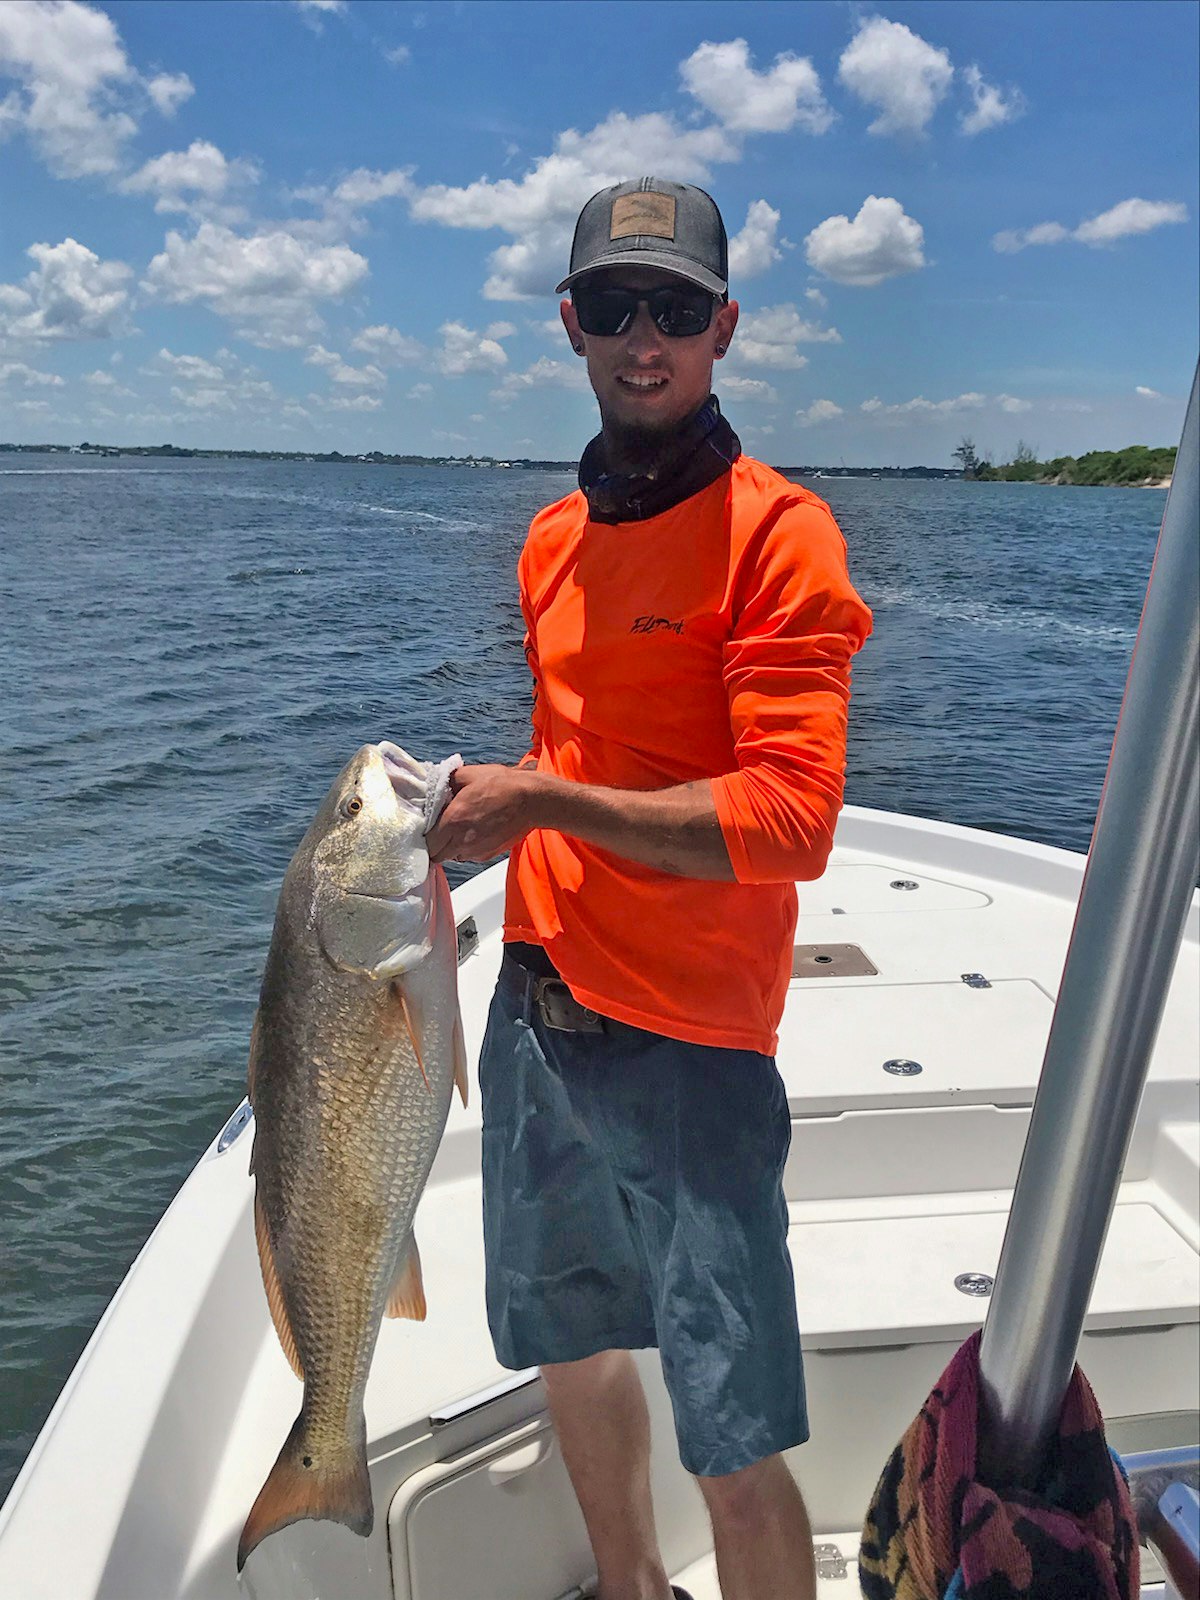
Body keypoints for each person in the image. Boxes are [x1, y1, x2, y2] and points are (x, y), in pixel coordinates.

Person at [427, 177, 873, 1600]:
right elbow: (583, 749)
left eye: (674, 309)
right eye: (612, 306)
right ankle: (630, 1588)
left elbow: (792, 818)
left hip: (694, 1040)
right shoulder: (552, 541)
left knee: (732, 1431)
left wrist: (545, 801)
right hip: (538, 1000)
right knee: (570, 1341)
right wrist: (496, 812)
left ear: (723, 327)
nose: (643, 338)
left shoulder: (779, 535)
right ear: (569, 324)